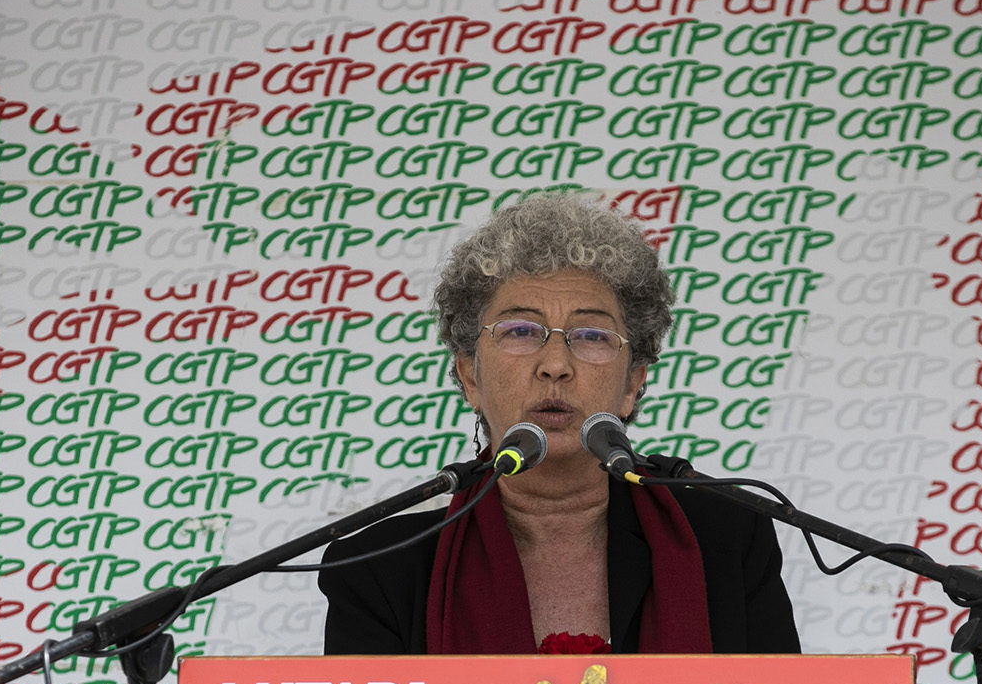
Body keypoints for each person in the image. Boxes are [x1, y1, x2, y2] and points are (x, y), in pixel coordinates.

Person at [320, 194, 799, 655]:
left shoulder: (728, 540)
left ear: (633, 381)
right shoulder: (378, 568)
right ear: (470, 375)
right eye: (520, 331)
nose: (555, 364)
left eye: (590, 335)